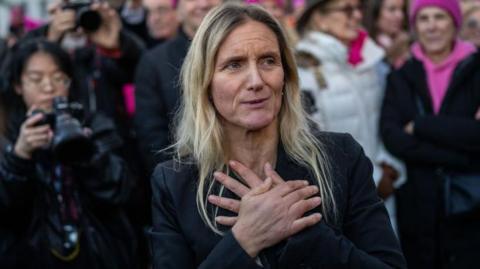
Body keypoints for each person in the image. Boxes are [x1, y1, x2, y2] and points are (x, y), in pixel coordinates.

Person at [150, 3, 406, 268]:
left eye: (268, 61)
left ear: (286, 76)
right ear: (205, 83)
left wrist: (301, 230)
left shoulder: (340, 157)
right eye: (234, 64)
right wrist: (243, 241)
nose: (256, 80)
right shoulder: (175, 182)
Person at [0, 39, 137, 268]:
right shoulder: (9, 136)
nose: (48, 87)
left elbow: (122, 190)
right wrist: (19, 157)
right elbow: (8, 213)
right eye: (36, 79)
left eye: (58, 78)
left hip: (98, 253)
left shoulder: (93, 123)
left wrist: (86, 153)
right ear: (18, 85)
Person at [380, 0, 480, 268]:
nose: (432, 26)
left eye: (440, 17)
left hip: (471, 206)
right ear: (414, 26)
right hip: (418, 208)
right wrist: (464, 153)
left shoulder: (476, 69)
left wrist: (422, 126)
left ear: (455, 23)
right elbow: (392, 136)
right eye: (423, 18)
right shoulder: (400, 76)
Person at [295, 0, 405, 232]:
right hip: (343, 194)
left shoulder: (369, 59)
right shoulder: (303, 69)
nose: (356, 16)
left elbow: (389, 119)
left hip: (387, 185)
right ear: (319, 18)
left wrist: (390, 167)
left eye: (359, 8)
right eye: (347, 9)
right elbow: (313, 138)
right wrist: (371, 179)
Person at [134, 0, 221, 173]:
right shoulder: (154, 62)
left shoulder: (244, 51)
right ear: (178, 12)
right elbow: (152, 139)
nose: (203, 4)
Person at [363, 0, 410, 68]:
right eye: (392, 9)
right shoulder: (365, 48)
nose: (400, 15)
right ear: (376, 14)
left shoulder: (411, 44)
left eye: (402, 9)